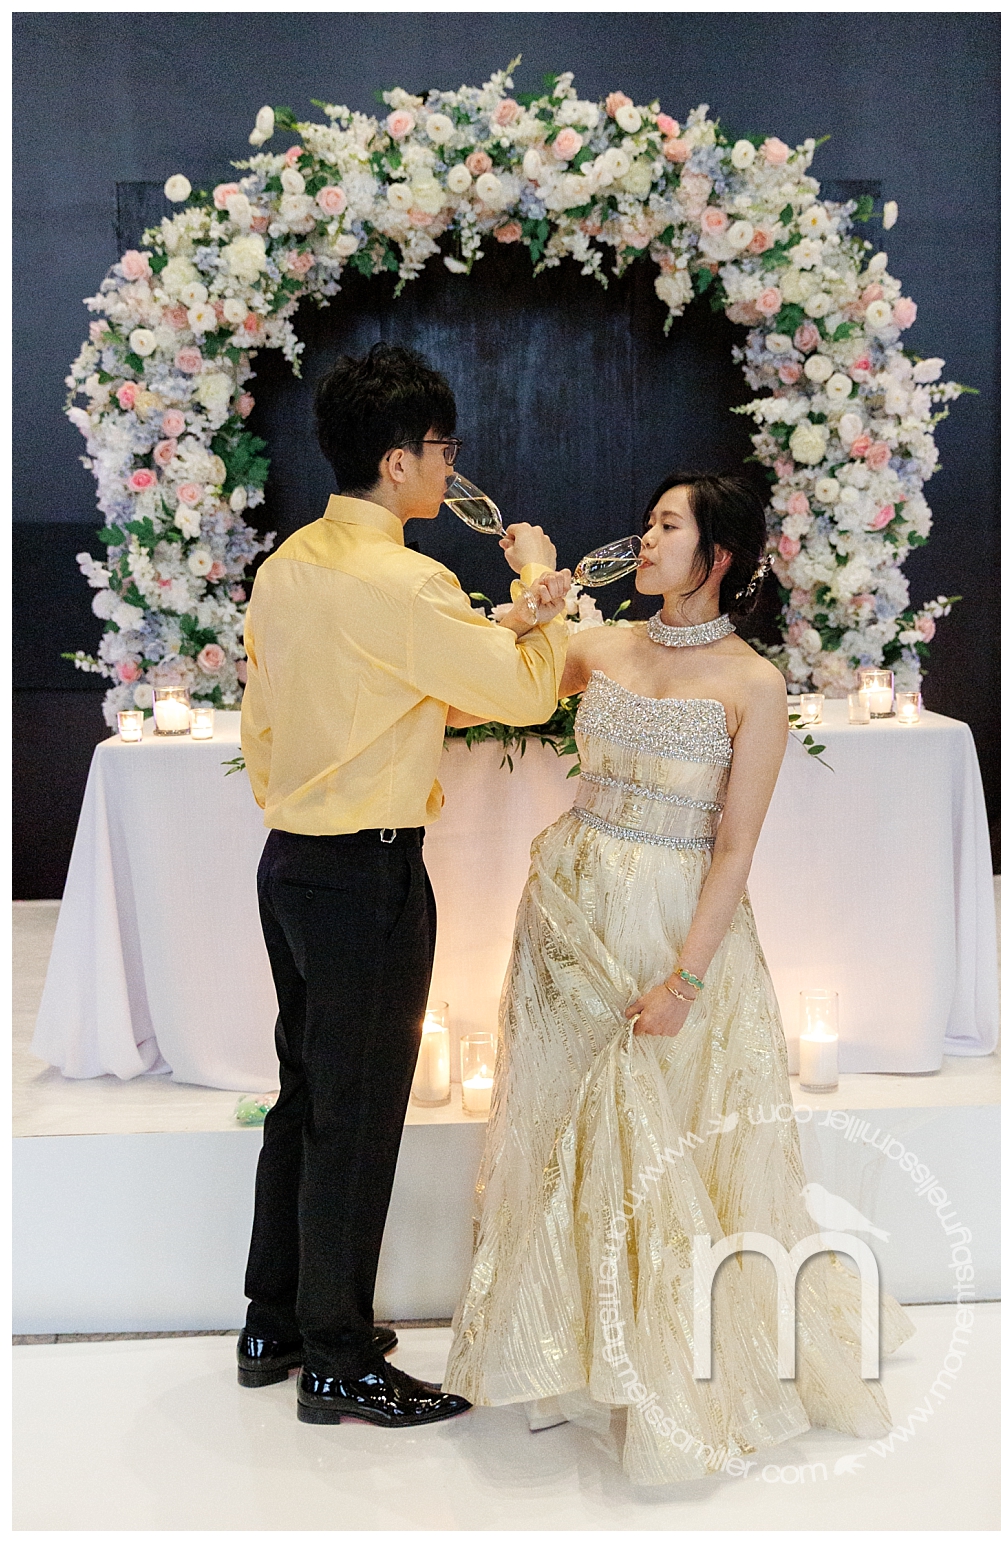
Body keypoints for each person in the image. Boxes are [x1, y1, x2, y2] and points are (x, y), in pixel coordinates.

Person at [441, 471, 915, 1484]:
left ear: (718, 555)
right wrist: (529, 600)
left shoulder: (751, 684)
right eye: (648, 524)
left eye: (666, 526)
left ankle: (665, 1369)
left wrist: (687, 981)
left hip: (671, 929)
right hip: (568, 917)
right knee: (559, 1126)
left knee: (667, 1141)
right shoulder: (602, 645)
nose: (644, 541)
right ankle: (564, 1353)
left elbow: (735, 847)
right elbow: (492, 677)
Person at [237, 343, 571, 1428]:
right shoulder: (409, 580)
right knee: (359, 1111)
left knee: (305, 1093)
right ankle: (337, 1357)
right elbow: (524, 699)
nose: (449, 466)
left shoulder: (288, 565)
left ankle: (277, 1320)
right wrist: (542, 588)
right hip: (366, 871)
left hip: (291, 862)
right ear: (397, 461)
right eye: (441, 449)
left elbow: (305, 709)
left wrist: (503, 630)